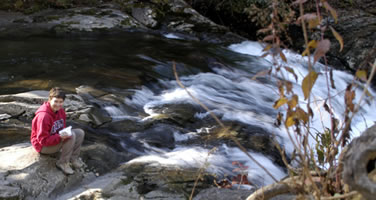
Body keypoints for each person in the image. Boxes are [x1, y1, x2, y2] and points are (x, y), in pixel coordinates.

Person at [30, 87, 85, 175]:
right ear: (50, 100)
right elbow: (42, 140)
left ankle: (73, 158)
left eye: (61, 102)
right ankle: (63, 163)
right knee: (71, 136)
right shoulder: (44, 116)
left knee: (80, 133)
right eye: (55, 101)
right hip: (42, 146)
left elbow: (61, 127)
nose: (58, 104)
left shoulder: (60, 111)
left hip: (54, 138)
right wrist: (60, 137)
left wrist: (63, 134)